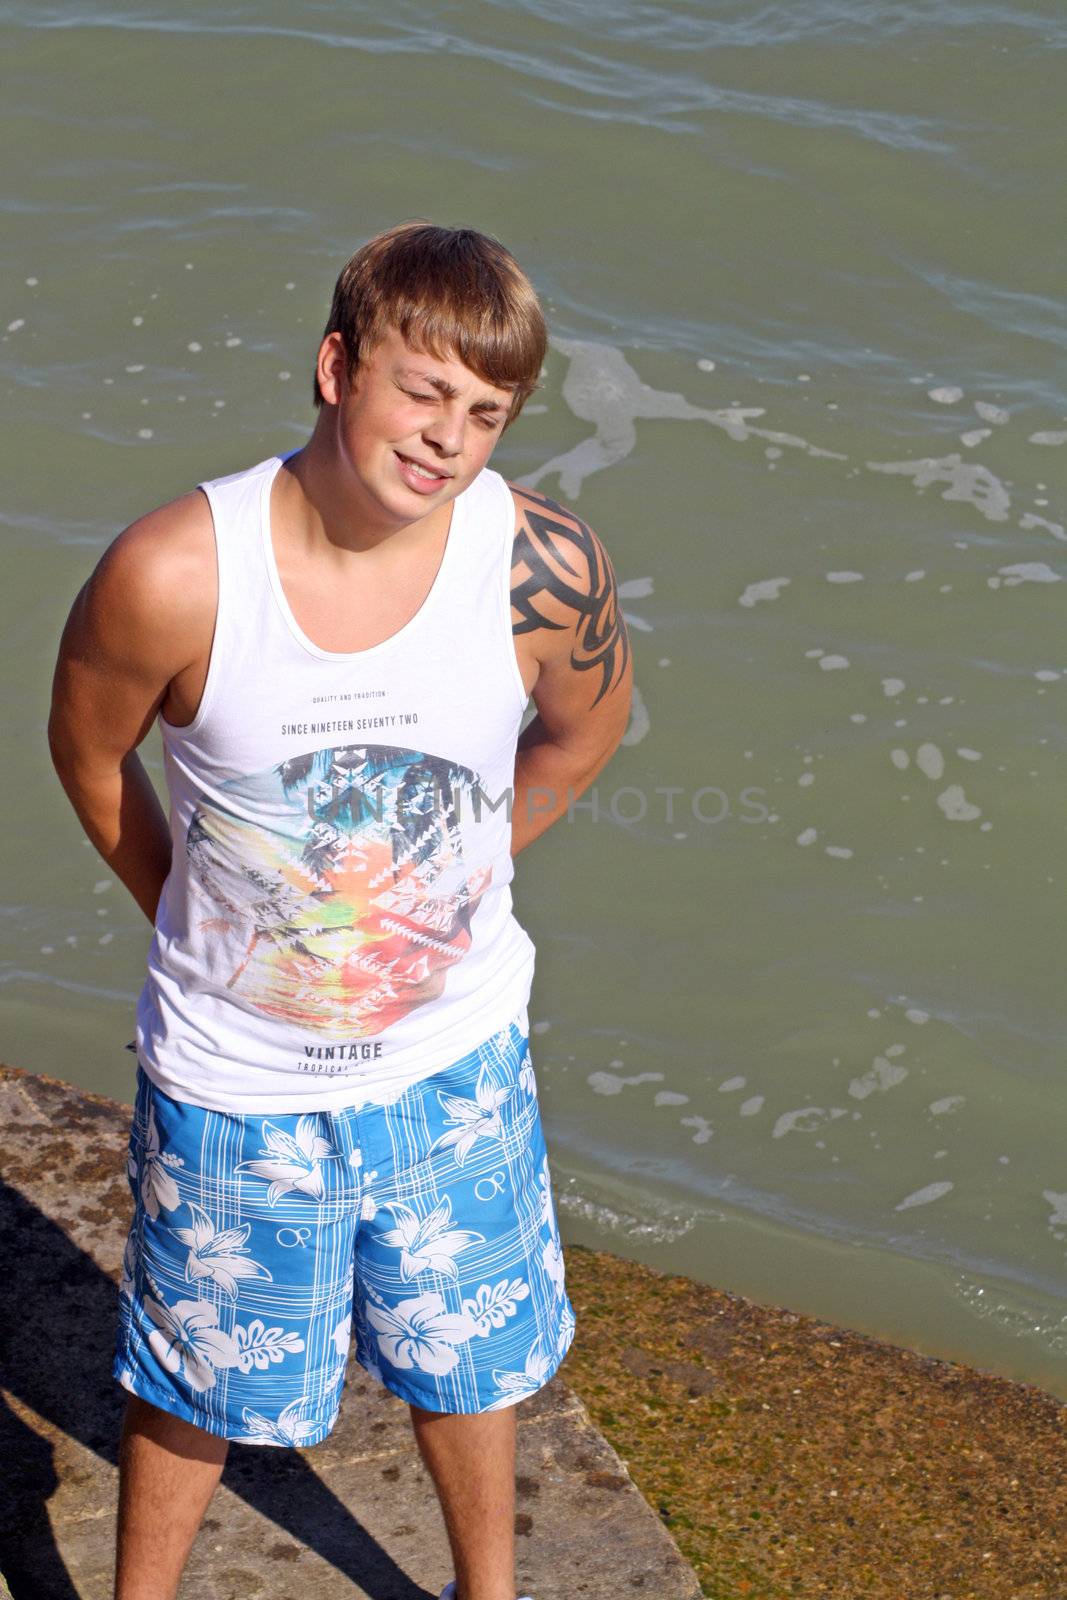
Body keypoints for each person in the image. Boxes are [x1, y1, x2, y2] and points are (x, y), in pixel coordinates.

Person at [47, 221, 632, 1600]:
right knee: (197, 1373)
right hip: (239, 1081)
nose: (447, 439)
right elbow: (86, 755)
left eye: (485, 414)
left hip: (456, 1062)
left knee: (469, 1353)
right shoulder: (177, 574)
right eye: (423, 392)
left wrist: (465, 878)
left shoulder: (539, 568)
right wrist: (190, 909)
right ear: (334, 367)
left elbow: (583, 733)